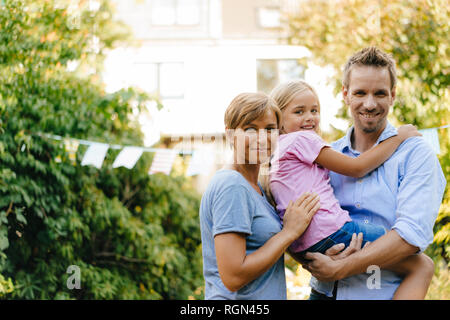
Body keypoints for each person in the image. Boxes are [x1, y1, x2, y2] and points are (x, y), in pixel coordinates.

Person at [298, 47, 446, 300]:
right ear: (345, 94)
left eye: (380, 93)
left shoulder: (416, 155)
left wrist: (340, 267)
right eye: (360, 93)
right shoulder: (326, 156)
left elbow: (410, 236)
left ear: (393, 96)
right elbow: (296, 220)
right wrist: (312, 257)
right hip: (323, 295)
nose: (369, 103)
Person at [267, 79, 432, 300]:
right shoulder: (302, 139)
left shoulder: (277, 154)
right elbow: (357, 167)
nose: (309, 117)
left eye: (314, 110)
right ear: (279, 119)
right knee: (419, 263)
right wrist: (399, 137)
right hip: (332, 231)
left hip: (305, 244)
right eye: (299, 112)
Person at [199, 92, 321, 299]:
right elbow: (233, 277)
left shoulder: (257, 189)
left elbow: (266, 251)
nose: (262, 138)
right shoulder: (232, 186)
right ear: (230, 135)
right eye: (250, 129)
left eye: (270, 129)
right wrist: (288, 232)